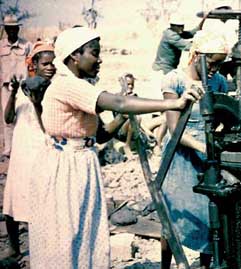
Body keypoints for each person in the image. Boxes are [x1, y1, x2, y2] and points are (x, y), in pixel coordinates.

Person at [27, 26, 203, 269]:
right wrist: (174, 102)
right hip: (66, 168)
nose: (99, 59)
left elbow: (101, 135)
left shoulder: (80, 85)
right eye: (94, 53)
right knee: (66, 232)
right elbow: (119, 102)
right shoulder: (68, 85)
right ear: (75, 56)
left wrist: (122, 114)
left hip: (81, 164)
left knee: (84, 230)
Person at [160, 30, 228, 269]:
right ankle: (166, 266)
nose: (215, 70)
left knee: (207, 216)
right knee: (173, 216)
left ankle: (206, 264)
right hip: (179, 157)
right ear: (196, 55)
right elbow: (173, 128)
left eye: (220, 64)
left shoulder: (219, 82)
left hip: (206, 155)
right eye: (212, 63)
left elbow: (223, 116)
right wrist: (201, 146)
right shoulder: (175, 80)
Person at [1, 41, 55, 261]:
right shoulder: (23, 87)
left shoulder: (54, 90)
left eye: (53, 63)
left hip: (42, 149)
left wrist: (37, 103)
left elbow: (48, 125)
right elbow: (8, 119)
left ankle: (43, 250)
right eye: (45, 63)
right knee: (13, 199)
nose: (50, 67)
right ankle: (14, 247)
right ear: (34, 64)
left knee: (41, 201)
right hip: (23, 151)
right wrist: (13, 94)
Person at [0, 14, 32, 162]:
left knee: (24, 116)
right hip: (6, 87)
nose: (12, 31)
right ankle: (8, 150)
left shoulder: (27, 45)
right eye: (9, 29)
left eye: (15, 28)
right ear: (5, 29)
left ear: (18, 29)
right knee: (7, 119)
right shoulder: (0, 46)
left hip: (23, 87)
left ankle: (22, 148)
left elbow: (32, 65)